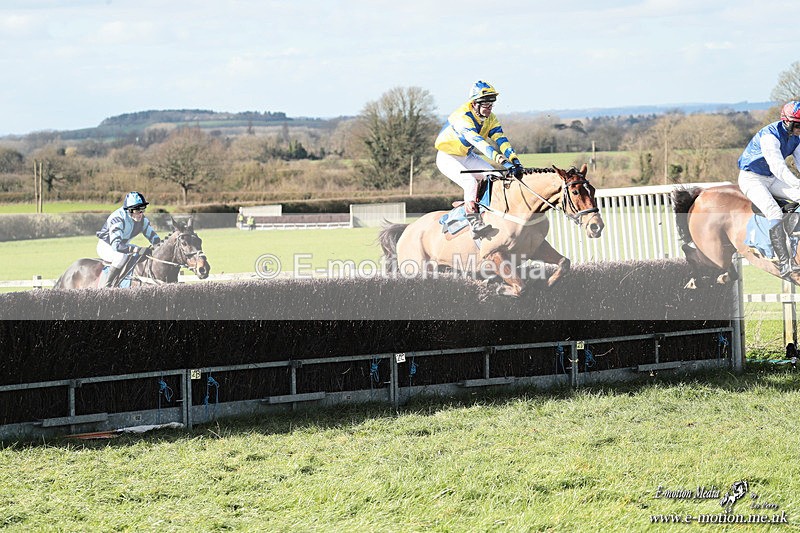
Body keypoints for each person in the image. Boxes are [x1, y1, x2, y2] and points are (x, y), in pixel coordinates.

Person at [435, 80, 524, 237]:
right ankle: (474, 221)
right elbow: (481, 144)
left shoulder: (490, 118)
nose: (489, 108)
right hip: (447, 157)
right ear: (474, 103)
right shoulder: (462, 117)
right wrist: (503, 162)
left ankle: (493, 213)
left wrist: (515, 161)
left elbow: (501, 140)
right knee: (470, 182)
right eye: (486, 105)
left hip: (466, 155)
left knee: (495, 177)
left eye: (491, 104)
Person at [738, 101, 800, 277]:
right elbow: (778, 167)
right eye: (798, 126)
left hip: (772, 179)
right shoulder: (769, 136)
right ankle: (784, 262)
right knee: (774, 211)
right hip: (752, 178)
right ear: (787, 122)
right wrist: (797, 183)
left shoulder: (796, 137)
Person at [95, 191, 161, 287]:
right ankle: (107, 286)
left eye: (142, 209)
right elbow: (116, 245)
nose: (140, 214)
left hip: (123, 245)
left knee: (137, 254)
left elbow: (153, 237)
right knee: (121, 257)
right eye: (137, 210)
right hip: (107, 246)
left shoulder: (142, 220)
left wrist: (160, 247)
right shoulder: (118, 219)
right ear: (129, 210)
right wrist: (136, 249)